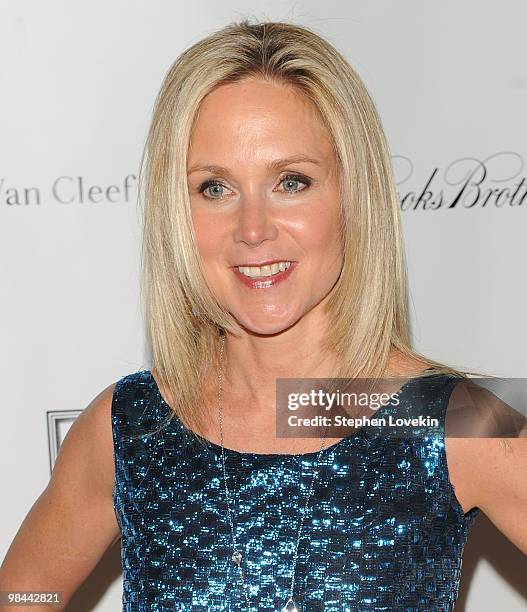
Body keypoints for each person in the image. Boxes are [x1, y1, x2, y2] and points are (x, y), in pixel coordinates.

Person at [0, 19, 525, 612]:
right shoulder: (128, 427)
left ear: (354, 195)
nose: (253, 230)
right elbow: (23, 593)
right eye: (215, 188)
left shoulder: (459, 420)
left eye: (291, 181)